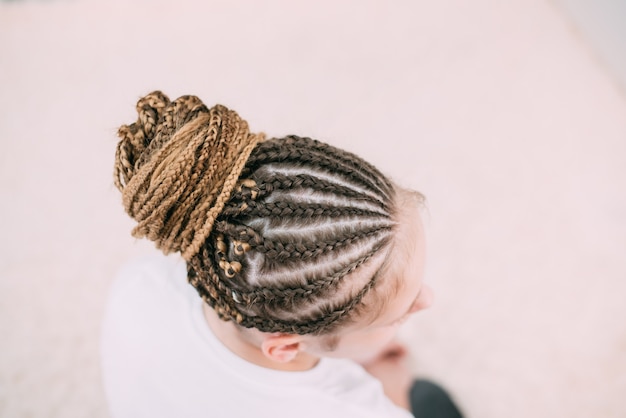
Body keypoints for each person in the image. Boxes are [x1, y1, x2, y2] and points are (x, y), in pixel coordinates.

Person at [102, 91, 463, 418]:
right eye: (396, 318)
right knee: (430, 400)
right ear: (285, 347)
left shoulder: (141, 281)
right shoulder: (355, 406)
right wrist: (393, 385)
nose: (426, 298)